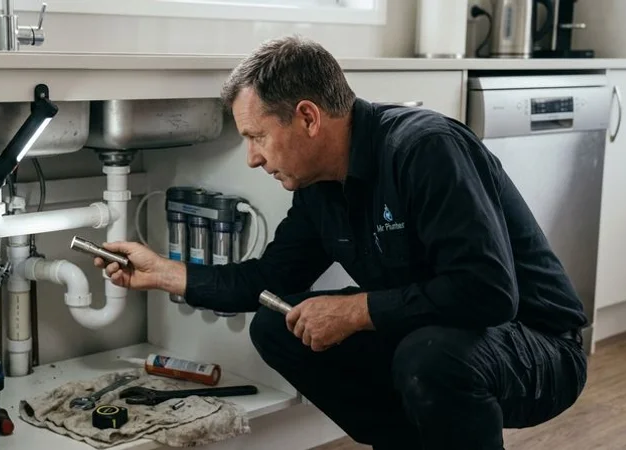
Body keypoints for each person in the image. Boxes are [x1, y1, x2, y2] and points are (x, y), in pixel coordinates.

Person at [93, 35, 588, 450]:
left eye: (257, 136)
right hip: (435, 330)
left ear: (308, 117)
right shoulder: (319, 188)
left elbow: (488, 293)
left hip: (538, 342)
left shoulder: (425, 148)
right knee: (277, 323)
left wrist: (355, 312)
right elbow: (266, 280)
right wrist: (163, 272)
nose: (252, 158)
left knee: (430, 356)